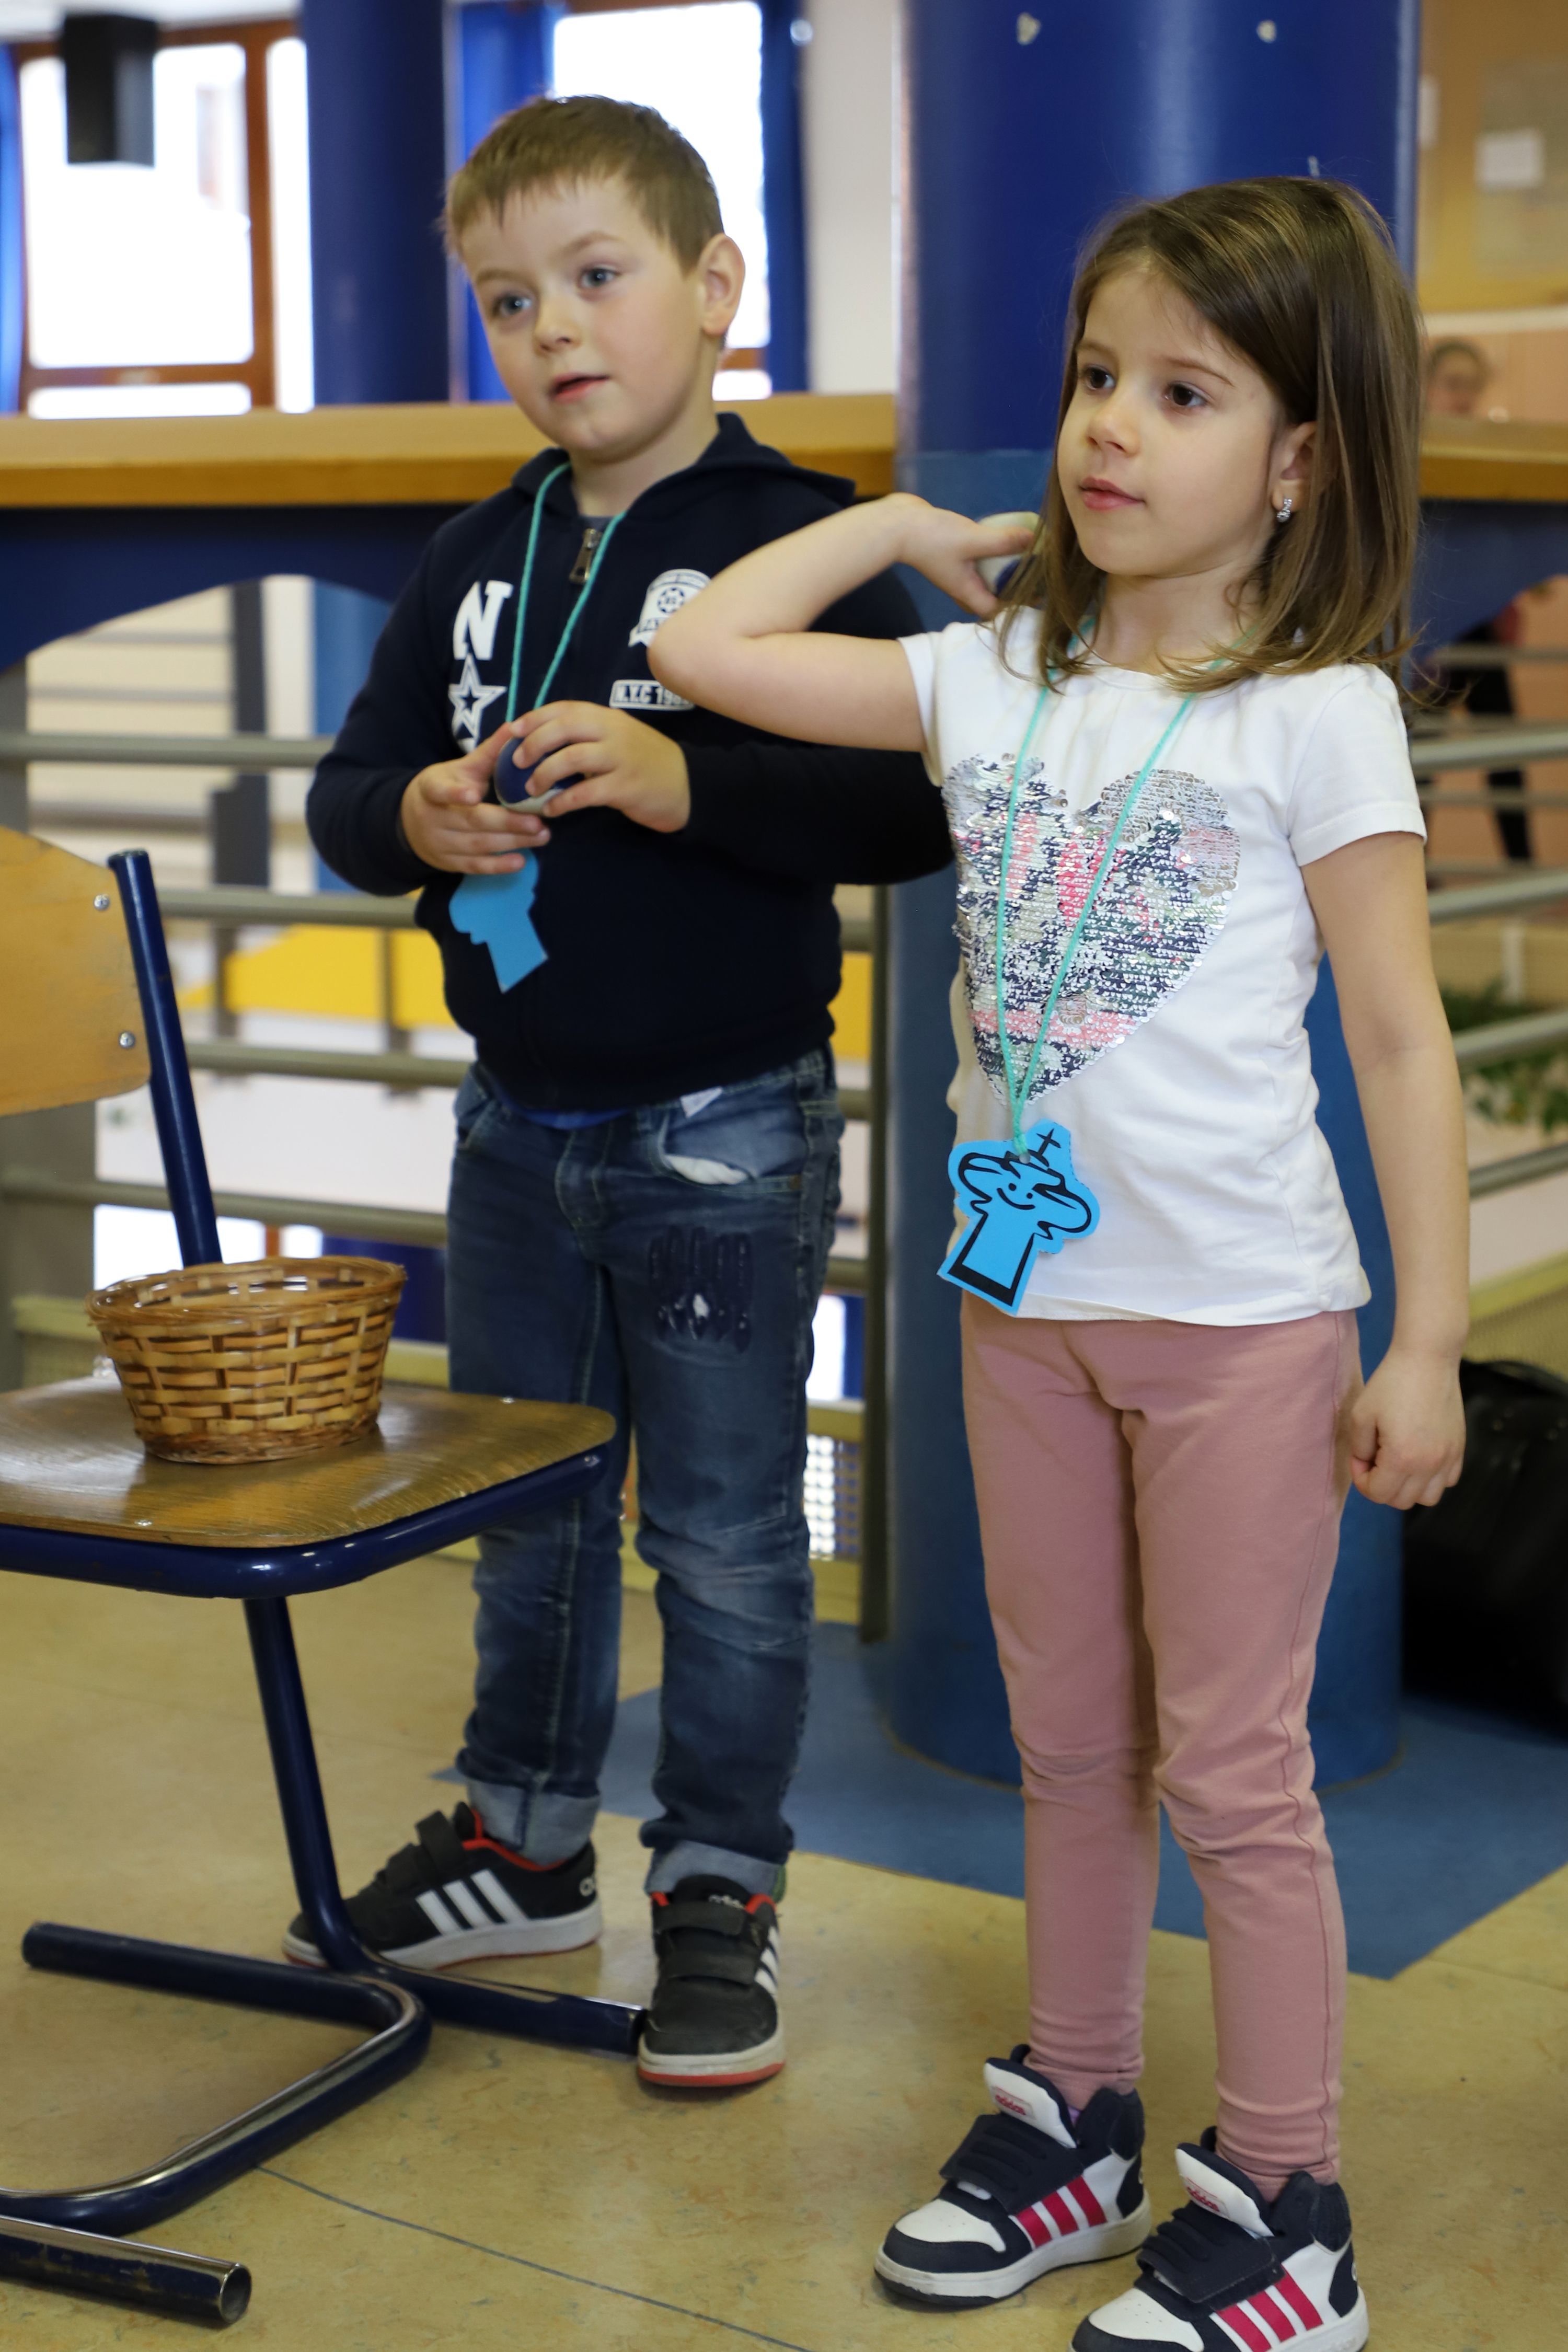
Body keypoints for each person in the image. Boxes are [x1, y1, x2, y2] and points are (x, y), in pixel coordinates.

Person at [645, 177, 1468, 2348]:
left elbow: (1400, 1042)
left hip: (1244, 1325)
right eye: (1100, 375)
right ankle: (1080, 2114)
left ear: (1297, 462)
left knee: (1238, 1771)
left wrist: (1430, 1340)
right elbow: (700, 651)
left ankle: (1288, 2203)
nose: (1111, 425)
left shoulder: (1321, 711)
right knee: (1071, 1743)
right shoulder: (990, 675)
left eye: (1186, 393)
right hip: (1022, 1314)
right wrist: (906, 518)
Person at [302, 95, 950, 2090]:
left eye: (596, 276)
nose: (554, 327)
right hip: (514, 1128)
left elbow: (916, 810)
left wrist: (692, 783)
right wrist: (410, 817)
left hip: (723, 1131)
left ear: (714, 283)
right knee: (527, 1506)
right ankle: (520, 1844)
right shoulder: (472, 554)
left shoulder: (792, 538)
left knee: (731, 1542)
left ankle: (719, 1889)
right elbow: (345, 796)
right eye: (509, 300)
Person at [1423, 337, 1530, 861]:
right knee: (1419, 760)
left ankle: (1522, 868)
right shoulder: (1411, 455)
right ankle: (1414, 873)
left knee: (1506, 752)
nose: (1462, 397)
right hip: (1427, 631)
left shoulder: (1488, 457)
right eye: (1453, 384)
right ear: (1428, 388)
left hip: (1479, 626)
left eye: (1472, 386)